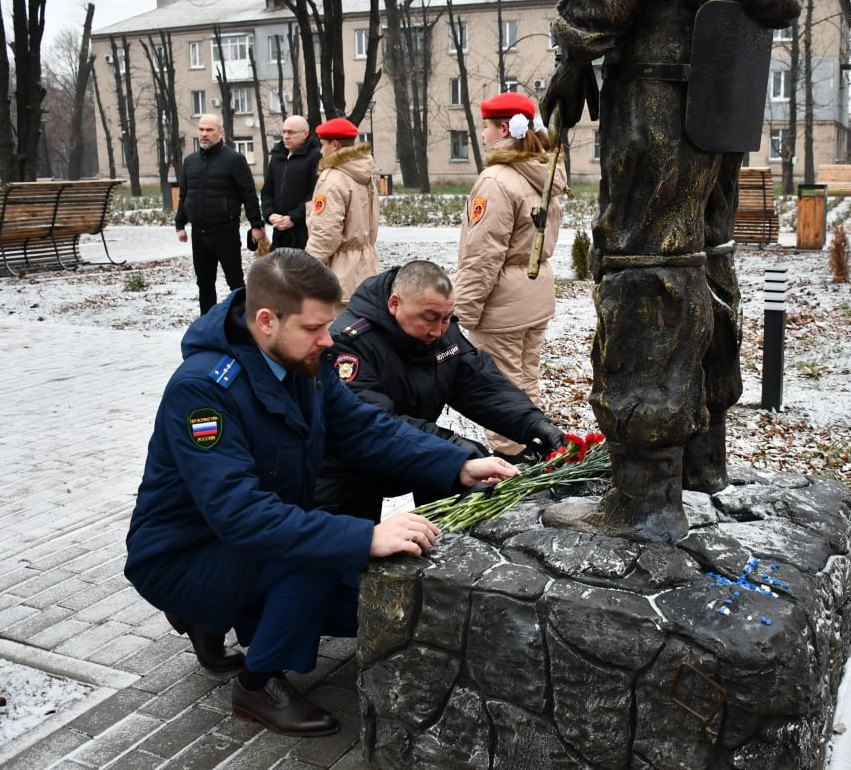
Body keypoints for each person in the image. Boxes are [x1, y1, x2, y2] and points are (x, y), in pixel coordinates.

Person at [124, 248, 516, 737]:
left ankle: (209, 614)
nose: (328, 340)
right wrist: (363, 537)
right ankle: (256, 685)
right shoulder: (203, 391)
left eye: (328, 325)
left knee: (351, 604)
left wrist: (458, 464)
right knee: (317, 558)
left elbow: (367, 428)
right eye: (314, 328)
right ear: (266, 321)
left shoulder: (305, 362)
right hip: (181, 552)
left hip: (237, 541)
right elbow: (240, 513)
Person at [542, 0, 800, 542]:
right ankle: (700, 462)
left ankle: (645, 495)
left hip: (659, 91)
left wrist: (573, 49)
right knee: (705, 252)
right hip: (723, 85)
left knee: (647, 263)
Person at [316, 260, 565, 518]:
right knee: (353, 547)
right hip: (349, 469)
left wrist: (533, 423)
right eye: (429, 318)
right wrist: (458, 451)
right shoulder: (348, 343)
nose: (438, 330)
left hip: (417, 452)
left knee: (455, 496)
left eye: (446, 318)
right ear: (394, 304)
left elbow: (480, 384)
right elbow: (369, 425)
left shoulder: (441, 332)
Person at [452, 92, 566, 461]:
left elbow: (482, 257)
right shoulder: (540, 172)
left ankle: (513, 459)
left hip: (501, 304)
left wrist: (461, 315)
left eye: (486, 126)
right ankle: (536, 445)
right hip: (534, 295)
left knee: (499, 387)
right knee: (526, 379)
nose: (483, 135)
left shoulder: (497, 180)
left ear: (504, 128)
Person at [175, 113, 265, 315]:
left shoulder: (234, 160)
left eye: (209, 130)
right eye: (201, 129)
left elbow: (248, 194)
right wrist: (180, 224)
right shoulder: (190, 162)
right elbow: (185, 194)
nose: (204, 134)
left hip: (225, 232)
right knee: (204, 284)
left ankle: (245, 322)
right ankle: (207, 326)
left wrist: (256, 225)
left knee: (235, 282)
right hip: (199, 233)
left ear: (220, 132)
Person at [305, 117, 381, 310]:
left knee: (336, 333)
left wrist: (306, 269)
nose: (321, 151)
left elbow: (325, 235)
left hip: (339, 274)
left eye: (323, 145)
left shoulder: (331, 179)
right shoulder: (365, 174)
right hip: (366, 268)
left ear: (335, 145)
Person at [260, 115, 321, 250]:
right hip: (279, 231)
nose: (286, 136)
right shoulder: (277, 157)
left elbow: (316, 194)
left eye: (291, 132)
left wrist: (293, 218)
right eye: (284, 132)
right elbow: (267, 191)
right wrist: (269, 214)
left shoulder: (315, 156)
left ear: (305, 134)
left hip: (304, 231)